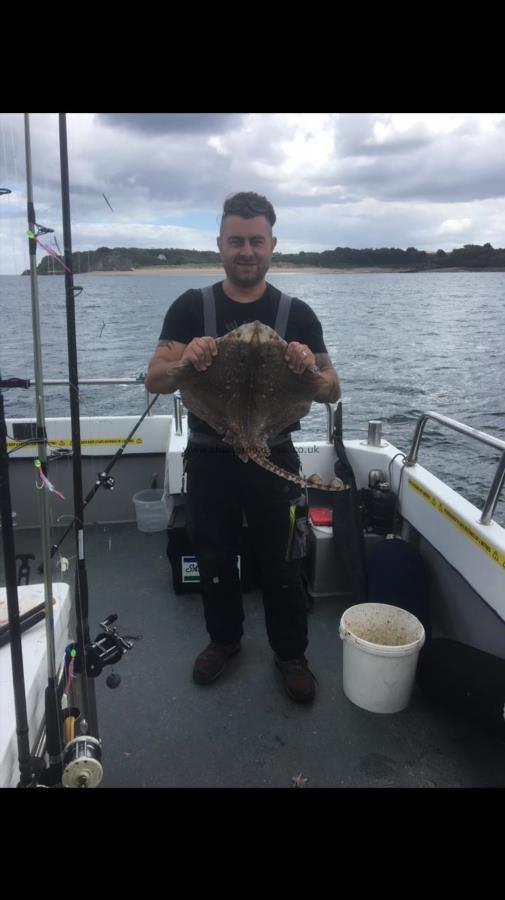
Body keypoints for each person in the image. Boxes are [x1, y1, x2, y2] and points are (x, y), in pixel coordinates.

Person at [145, 192, 340, 703]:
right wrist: (186, 358)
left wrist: (308, 367)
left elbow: (332, 390)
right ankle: (224, 640)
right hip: (210, 453)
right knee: (213, 556)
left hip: (275, 454)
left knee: (281, 561)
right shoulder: (192, 306)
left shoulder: (297, 313)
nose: (247, 250)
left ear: (272, 244)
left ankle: (291, 653)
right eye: (237, 240)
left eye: (256, 240)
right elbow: (155, 380)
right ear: (220, 245)